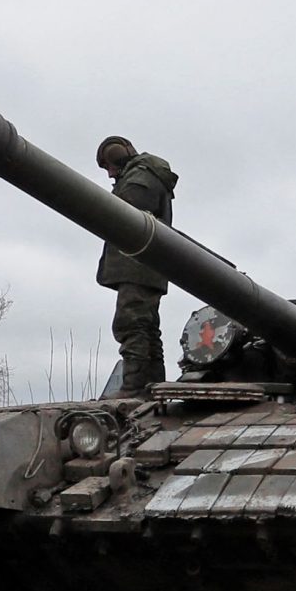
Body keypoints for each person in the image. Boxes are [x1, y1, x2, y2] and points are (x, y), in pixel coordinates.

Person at [95, 135, 178, 396]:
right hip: (144, 265)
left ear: (119, 156)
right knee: (146, 326)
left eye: (109, 165)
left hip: (139, 264)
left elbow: (124, 215)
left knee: (131, 324)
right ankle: (151, 384)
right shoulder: (140, 176)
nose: (109, 173)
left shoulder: (140, 178)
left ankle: (134, 386)